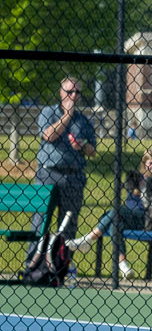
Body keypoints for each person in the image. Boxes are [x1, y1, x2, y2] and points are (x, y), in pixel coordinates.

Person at [67, 147, 152, 279]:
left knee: (116, 211)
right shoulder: (137, 179)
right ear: (144, 164)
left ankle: (87, 240)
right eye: (151, 162)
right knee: (116, 223)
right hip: (134, 217)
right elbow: (131, 203)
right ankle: (123, 265)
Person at [28, 77, 97, 252]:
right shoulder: (48, 112)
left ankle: (61, 267)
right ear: (61, 93)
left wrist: (82, 146)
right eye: (69, 92)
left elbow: (93, 151)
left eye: (77, 92)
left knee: (68, 225)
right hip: (48, 174)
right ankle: (33, 265)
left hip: (74, 176)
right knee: (40, 220)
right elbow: (49, 136)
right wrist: (67, 115)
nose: (74, 95)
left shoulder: (84, 119)